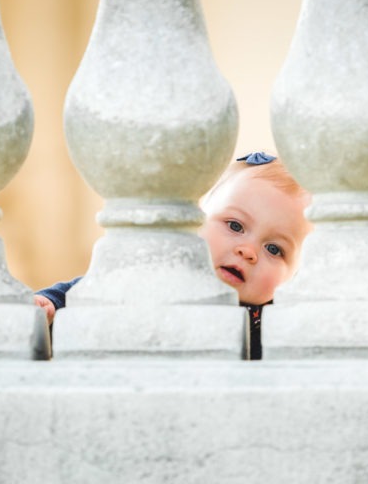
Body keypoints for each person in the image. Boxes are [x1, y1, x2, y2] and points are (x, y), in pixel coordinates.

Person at [34, 151, 311, 359]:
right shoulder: (164, 272)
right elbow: (94, 288)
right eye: (235, 226)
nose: (248, 251)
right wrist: (51, 304)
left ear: (296, 273)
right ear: (198, 217)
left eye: (274, 249)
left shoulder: (277, 324)